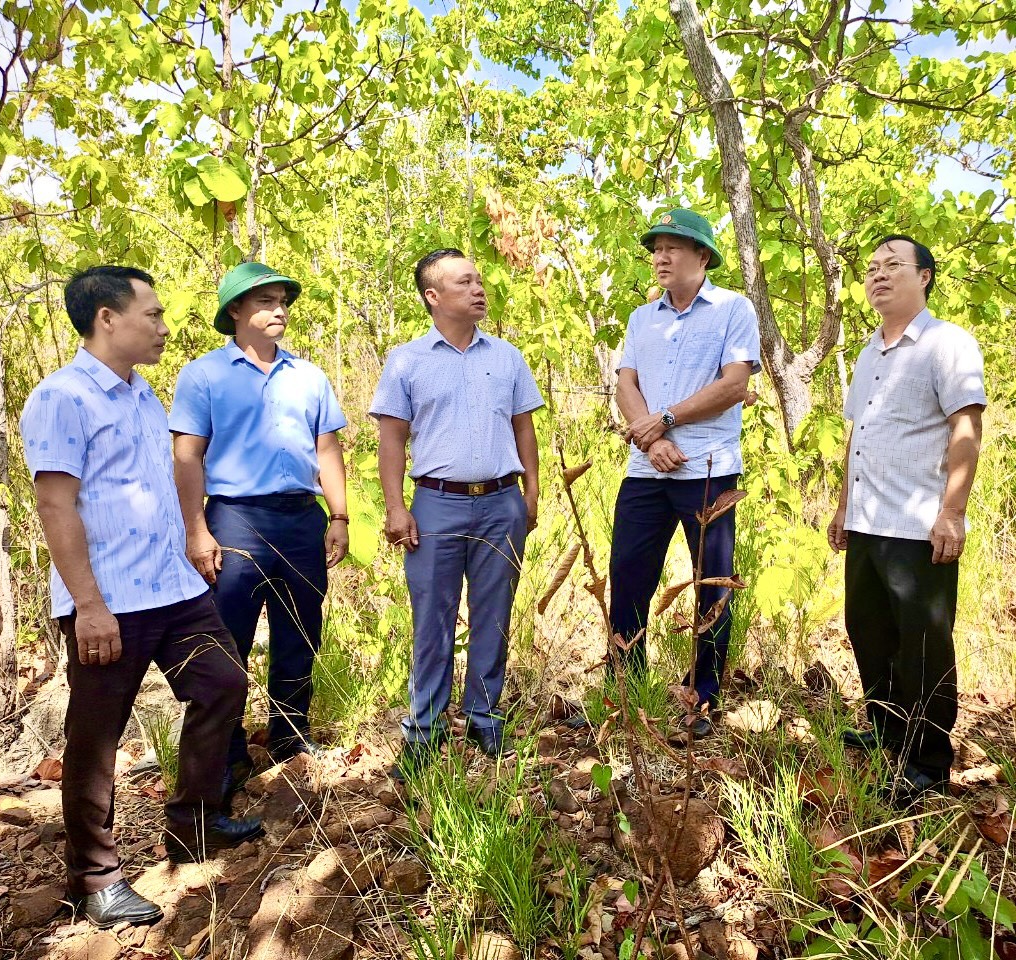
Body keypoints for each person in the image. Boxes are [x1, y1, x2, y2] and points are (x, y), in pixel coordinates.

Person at [19, 266, 263, 929]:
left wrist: (192, 538)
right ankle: (95, 880)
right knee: (94, 741)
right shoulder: (62, 398)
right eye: (151, 315)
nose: (162, 327)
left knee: (221, 683)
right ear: (106, 318)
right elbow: (54, 503)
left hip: (173, 590)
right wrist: (89, 605)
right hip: (109, 601)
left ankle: (194, 824)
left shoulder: (140, 393)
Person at [573, 208, 760, 737]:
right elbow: (625, 385)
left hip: (706, 469)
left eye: (674, 246)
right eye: (656, 247)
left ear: (703, 256)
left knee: (711, 585)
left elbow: (732, 386)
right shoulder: (641, 318)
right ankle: (626, 691)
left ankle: (703, 699)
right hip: (645, 469)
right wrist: (651, 436)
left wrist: (668, 420)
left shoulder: (732, 309)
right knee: (629, 578)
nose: (661, 256)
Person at [170, 262, 348, 798]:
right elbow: (187, 456)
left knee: (301, 630)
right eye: (266, 301)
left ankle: (290, 737)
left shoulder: (309, 376)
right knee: (228, 640)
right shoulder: (204, 376)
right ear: (234, 312)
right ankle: (224, 757)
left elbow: (328, 450)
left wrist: (339, 516)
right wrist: (196, 529)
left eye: (283, 301)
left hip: (301, 517)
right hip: (233, 520)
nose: (279, 310)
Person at [371, 249, 542, 775]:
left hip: (500, 502)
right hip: (435, 505)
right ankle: (424, 730)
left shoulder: (506, 357)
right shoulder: (407, 360)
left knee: (494, 615)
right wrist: (396, 507)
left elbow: (523, 429)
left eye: (479, 280)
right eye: (465, 282)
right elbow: (392, 440)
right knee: (432, 619)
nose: (478, 289)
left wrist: (530, 493)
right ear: (433, 296)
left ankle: (485, 720)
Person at [828, 234, 986, 804]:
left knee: (923, 645)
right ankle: (886, 731)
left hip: (919, 524)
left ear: (924, 276)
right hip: (869, 520)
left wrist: (952, 511)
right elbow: (858, 436)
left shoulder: (948, 345)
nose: (879, 274)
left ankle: (928, 760)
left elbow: (965, 430)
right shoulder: (869, 353)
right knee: (867, 630)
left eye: (893, 265)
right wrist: (843, 504)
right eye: (872, 267)